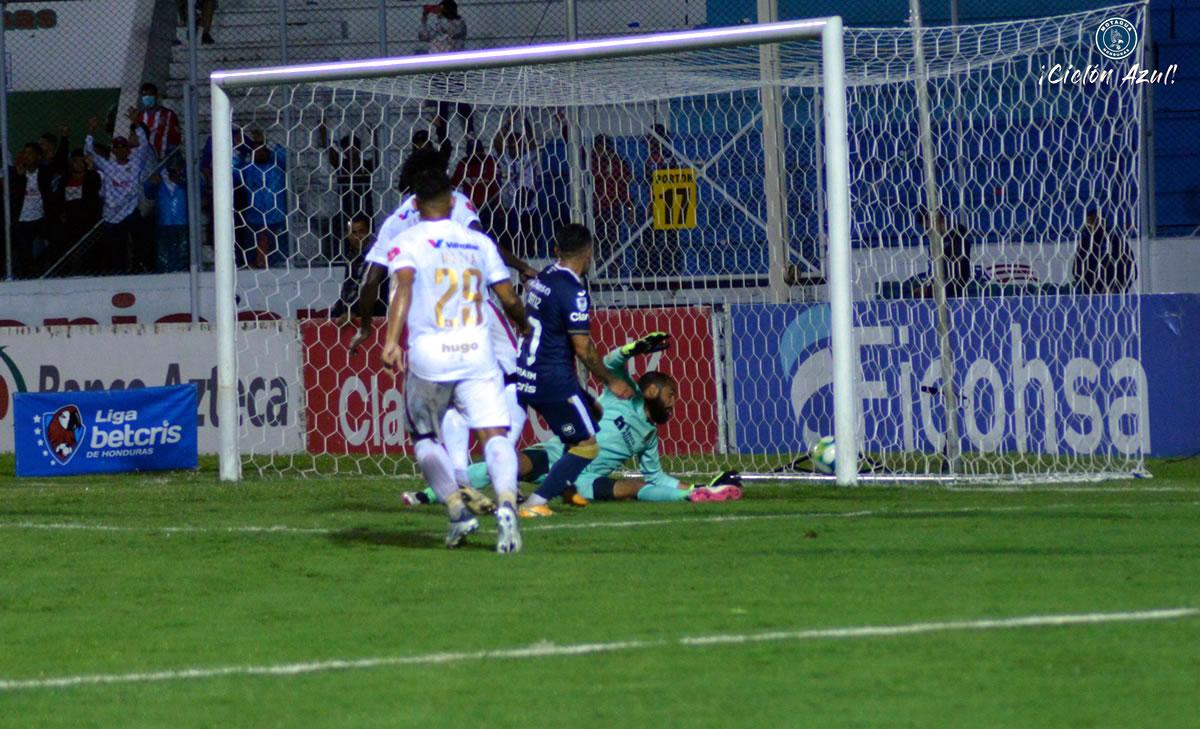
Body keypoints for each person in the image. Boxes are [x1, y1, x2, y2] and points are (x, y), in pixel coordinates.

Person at [378, 169, 530, 552]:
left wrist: (392, 340)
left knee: (425, 437)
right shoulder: (478, 242)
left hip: (431, 355)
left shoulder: (406, 239)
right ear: (452, 202)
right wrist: (524, 324)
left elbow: (404, 288)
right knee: (494, 435)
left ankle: (458, 513)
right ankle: (508, 505)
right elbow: (508, 297)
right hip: (477, 353)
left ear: (414, 205)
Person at [407, 334, 744, 506]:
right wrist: (635, 348)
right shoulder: (621, 393)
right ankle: (431, 493)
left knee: (637, 487)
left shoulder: (649, 436)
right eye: (670, 396)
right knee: (514, 462)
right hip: (560, 453)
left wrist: (693, 487)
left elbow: (656, 474)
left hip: (589, 478)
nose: (673, 406)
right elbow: (611, 361)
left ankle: (694, 498)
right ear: (652, 390)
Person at [515, 223, 636, 518]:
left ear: (557, 250)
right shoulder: (573, 290)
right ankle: (535, 502)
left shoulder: (544, 277)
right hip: (552, 379)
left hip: (525, 371)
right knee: (587, 445)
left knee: (593, 411)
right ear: (589, 253)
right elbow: (583, 348)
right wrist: (611, 379)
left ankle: (566, 486)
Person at [85, 118, 153, 274]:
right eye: (117, 147)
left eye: (124, 147)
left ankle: (139, 266)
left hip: (131, 211)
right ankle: (119, 271)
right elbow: (89, 151)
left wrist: (137, 123)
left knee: (142, 237)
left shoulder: (135, 163)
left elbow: (144, 145)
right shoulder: (108, 166)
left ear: (128, 150)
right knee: (116, 248)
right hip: (113, 214)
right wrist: (91, 131)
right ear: (113, 151)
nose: (121, 150)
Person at [419, 0, 474, 142]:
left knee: (460, 101)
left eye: (442, 8)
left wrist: (439, 14)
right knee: (441, 103)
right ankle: (442, 135)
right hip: (438, 68)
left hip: (453, 68)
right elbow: (423, 36)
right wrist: (425, 19)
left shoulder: (459, 23)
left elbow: (451, 31)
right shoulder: (438, 23)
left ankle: (470, 132)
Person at [233, 129, 289, 268]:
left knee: (277, 258)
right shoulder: (248, 169)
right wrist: (240, 152)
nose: (259, 152)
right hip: (254, 220)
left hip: (276, 219)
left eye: (262, 149)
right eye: (255, 150)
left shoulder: (277, 167)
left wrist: (266, 141)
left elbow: (283, 155)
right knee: (252, 257)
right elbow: (232, 170)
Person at [493, 112, 541, 259]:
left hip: (531, 207)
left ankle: (532, 256)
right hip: (511, 207)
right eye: (511, 145)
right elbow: (497, 141)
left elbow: (532, 140)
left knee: (531, 237)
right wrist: (510, 121)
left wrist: (525, 116)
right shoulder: (506, 159)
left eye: (517, 144)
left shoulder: (530, 157)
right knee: (512, 234)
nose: (514, 148)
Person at [4, 143, 56, 277]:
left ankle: (48, 273)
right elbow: (13, 195)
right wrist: (19, 176)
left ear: (38, 157)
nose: (26, 156)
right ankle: (26, 276)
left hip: (40, 217)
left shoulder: (44, 172)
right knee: (23, 252)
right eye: (25, 153)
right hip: (22, 220)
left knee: (51, 244)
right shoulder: (17, 173)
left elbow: (59, 163)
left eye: (30, 153)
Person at [640, 123, 682, 277]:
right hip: (655, 203)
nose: (650, 144)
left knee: (669, 240)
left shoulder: (668, 158)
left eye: (652, 139)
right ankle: (652, 272)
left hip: (668, 203)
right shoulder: (651, 159)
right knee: (651, 239)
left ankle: (671, 272)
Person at [330, 214, 386, 324]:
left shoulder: (376, 256)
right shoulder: (351, 257)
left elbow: (371, 287)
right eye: (353, 233)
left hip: (375, 318)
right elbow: (349, 288)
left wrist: (354, 312)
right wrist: (336, 312)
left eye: (362, 232)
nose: (358, 237)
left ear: (370, 232)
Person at [590, 134, 633, 274]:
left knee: (612, 241)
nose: (598, 150)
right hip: (594, 208)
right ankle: (597, 272)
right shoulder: (592, 162)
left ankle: (614, 273)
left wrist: (629, 207)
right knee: (596, 241)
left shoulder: (616, 163)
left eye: (600, 147)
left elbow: (624, 187)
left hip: (611, 208)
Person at [58, 150, 102, 274]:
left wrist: (90, 168)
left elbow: (95, 192)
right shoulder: (65, 178)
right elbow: (60, 197)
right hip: (69, 221)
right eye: (75, 161)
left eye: (81, 161)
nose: (78, 164)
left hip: (86, 219)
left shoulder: (92, 176)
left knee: (87, 250)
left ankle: (89, 272)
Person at [1073, 208, 1134, 294]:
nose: (1090, 224)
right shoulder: (1085, 243)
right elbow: (1077, 270)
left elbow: (1129, 266)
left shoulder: (1116, 241)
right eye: (1088, 221)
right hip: (1091, 295)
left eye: (1093, 220)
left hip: (1115, 293)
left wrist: (1117, 288)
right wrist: (1088, 289)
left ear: (1101, 221)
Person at [144, 160, 189, 273]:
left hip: (182, 221)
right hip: (164, 222)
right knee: (163, 252)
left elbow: (199, 189)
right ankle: (164, 272)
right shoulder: (159, 179)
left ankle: (181, 270)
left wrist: (181, 181)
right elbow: (148, 194)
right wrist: (154, 183)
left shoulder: (186, 178)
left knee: (182, 250)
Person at [919, 209, 973, 298]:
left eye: (929, 228)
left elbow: (955, 275)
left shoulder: (959, 241)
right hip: (939, 292)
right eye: (926, 229)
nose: (928, 232)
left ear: (942, 221)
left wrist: (929, 290)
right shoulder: (934, 244)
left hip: (953, 295)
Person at [451, 138, 499, 235]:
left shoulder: (490, 161)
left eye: (478, 151)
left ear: (482, 150)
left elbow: (496, 184)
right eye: (472, 152)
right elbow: (454, 184)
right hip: (471, 206)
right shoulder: (464, 163)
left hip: (490, 203)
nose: (475, 154)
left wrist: (498, 204)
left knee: (492, 230)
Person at [133, 83, 182, 160]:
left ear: (156, 96)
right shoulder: (139, 116)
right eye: (144, 95)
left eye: (150, 94)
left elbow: (176, 137)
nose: (147, 97)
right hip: (145, 158)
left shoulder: (168, 114)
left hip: (164, 156)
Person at [397, 129, 451, 197]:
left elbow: (446, 148)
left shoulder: (437, 158)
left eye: (424, 143)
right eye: (418, 144)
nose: (421, 146)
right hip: (419, 196)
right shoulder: (411, 163)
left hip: (436, 195)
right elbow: (402, 188)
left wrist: (440, 129)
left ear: (429, 143)